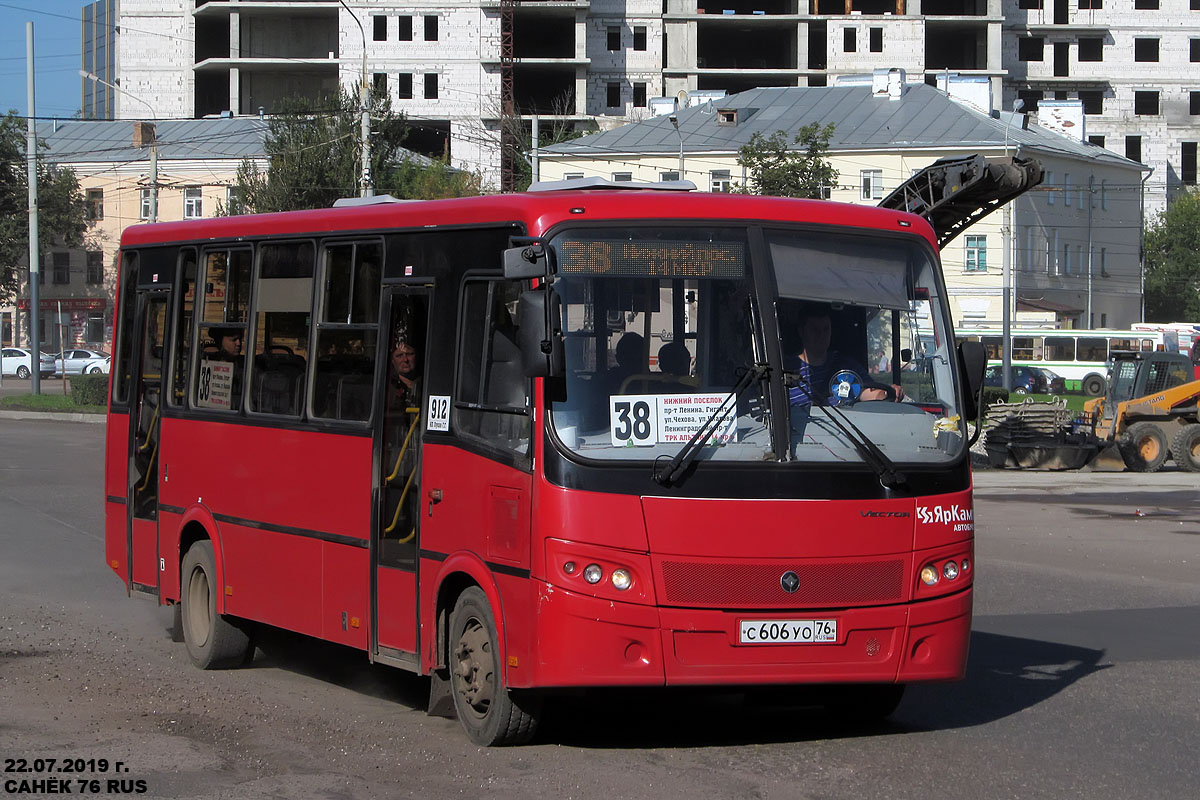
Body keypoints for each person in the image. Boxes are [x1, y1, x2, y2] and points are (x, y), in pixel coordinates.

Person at [789, 308, 904, 406]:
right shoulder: (788, 371)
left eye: (826, 329)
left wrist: (888, 393)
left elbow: (867, 392)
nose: (821, 336)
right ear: (802, 332)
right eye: (815, 330)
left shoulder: (845, 366)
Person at [390, 338, 422, 410]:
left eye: (409, 354)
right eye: (399, 355)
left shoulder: (427, 383)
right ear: (392, 360)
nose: (405, 359)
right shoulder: (387, 387)